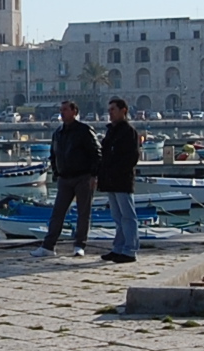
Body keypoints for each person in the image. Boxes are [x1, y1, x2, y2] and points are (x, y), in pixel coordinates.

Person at [33, 101, 100, 259]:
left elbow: (97, 153)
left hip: (83, 177)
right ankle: (48, 246)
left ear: (74, 111)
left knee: (83, 213)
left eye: (65, 110)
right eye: (60, 110)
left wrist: (93, 175)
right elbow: (53, 154)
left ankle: (79, 245)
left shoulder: (85, 130)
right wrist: (56, 172)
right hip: (65, 178)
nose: (62, 113)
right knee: (57, 213)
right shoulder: (58, 132)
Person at [98, 97, 141, 264]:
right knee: (117, 216)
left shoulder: (129, 131)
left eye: (113, 110)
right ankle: (119, 248)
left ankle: (130, 250)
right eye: (109, 111)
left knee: (128, 216)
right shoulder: (111, 131)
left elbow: (131, 157)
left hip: (122, 179)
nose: (110, 114)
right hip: (110, 180)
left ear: (123, 110)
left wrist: (117, 170)